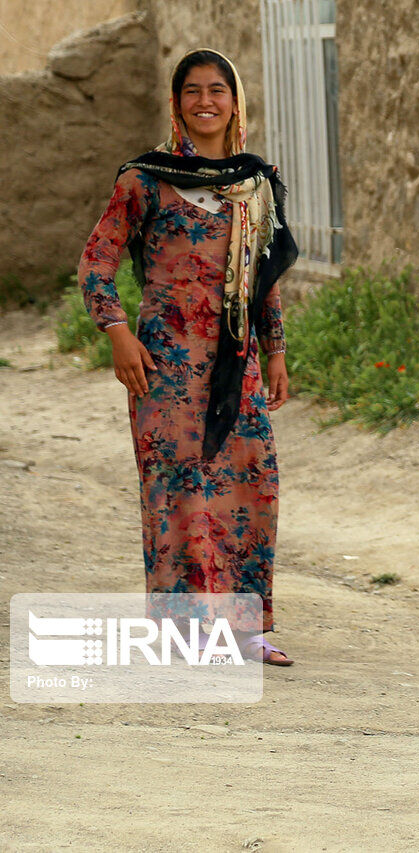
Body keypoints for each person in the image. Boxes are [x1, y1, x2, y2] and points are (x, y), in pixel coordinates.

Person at [77, 49, 299, 662]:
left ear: (235, 101)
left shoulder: (254, 183)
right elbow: (96, 261)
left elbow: (264, 278)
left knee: (250, 483)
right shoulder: (143, 179)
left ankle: (244, 630)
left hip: (237, 363)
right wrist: (118, 332)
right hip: (164, 368)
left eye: (217, 91)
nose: (206, 102)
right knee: (176, 488)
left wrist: (275, 351)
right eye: (193, 91)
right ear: (176, 104)